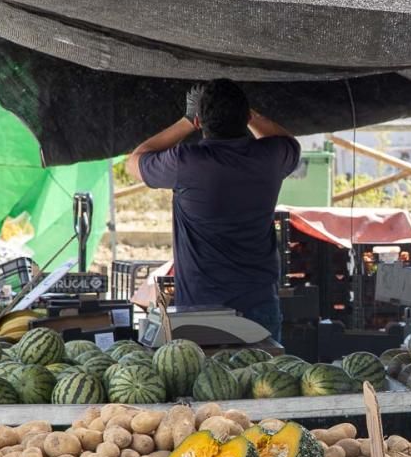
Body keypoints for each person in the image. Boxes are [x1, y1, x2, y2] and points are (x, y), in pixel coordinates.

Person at [125, 79, 299, 342]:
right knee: (263, 381)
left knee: (209, 383)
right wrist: (249, 114)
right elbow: (287, 141)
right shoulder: (270, 157)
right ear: (245, 117)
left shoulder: (186, 162)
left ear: (200, 122)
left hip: (200, 309)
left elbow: (135, 161)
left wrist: (187, 120)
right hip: (260, 304)